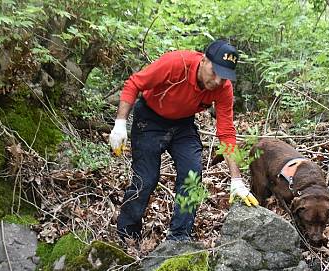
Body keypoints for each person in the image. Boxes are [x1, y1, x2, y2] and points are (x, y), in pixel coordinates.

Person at [108, 39, 259, 242]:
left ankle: (179, 237)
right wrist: (120, 124)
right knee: (146, 178)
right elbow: (134, 83)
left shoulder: (223, 88)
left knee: (192, 175)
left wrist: (236, 180)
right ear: (204, 60)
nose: (217, 81)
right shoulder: (176, 64)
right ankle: (126, 233)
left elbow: (226, 132)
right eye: (214, 72)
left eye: (223, 77)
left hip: (183, 124)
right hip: (150, 118)